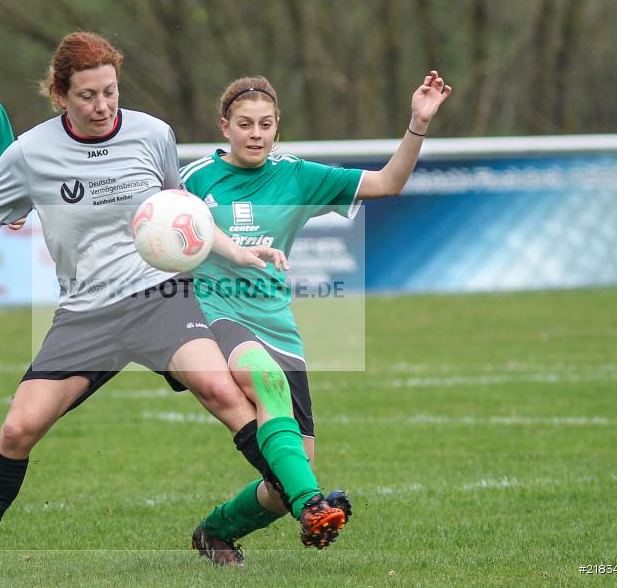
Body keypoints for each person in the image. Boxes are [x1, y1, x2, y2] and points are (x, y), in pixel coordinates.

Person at [0, 31, 348, 572]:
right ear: (60, 95)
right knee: (19, 429)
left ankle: (308, 502)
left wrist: (235, 250)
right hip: (86, 312)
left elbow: (182, 214)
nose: (102, 105)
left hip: (160, 297)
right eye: (87, 95)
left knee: (221, 390)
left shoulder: (152, 134)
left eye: (110, 91)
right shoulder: (31, 152)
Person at [181, 72, 452, 565]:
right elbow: (167, 231)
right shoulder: (195, 178)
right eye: (245, 124)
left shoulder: (298, 175)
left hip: (276, 319)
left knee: (291, 469)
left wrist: (417, 124)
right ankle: (313, 504)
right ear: (225, 127)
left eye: (265, 124)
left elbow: (389, 183)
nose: (256, 133)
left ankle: (216, 531)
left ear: (278, 127)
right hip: (214, 309)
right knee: (266, 385)